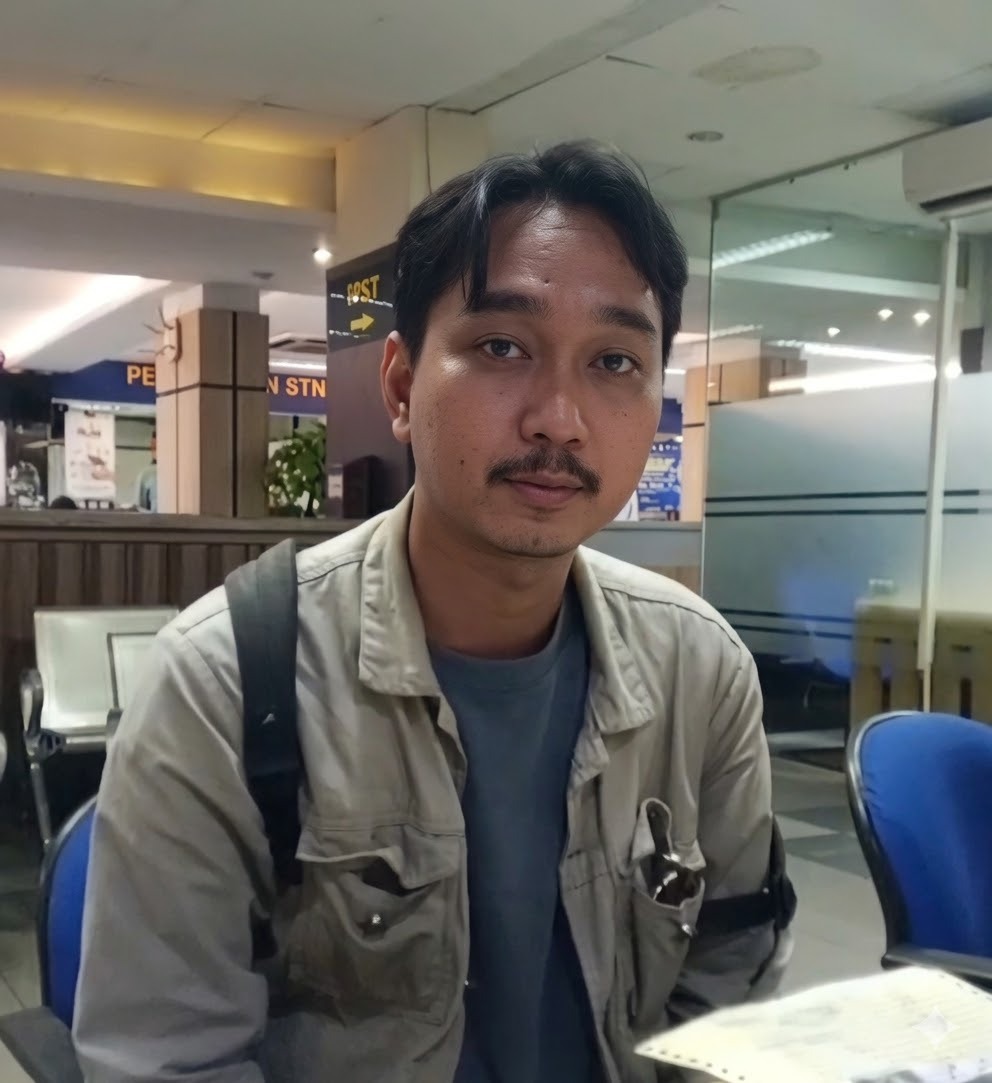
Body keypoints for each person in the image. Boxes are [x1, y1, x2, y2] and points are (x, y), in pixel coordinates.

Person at [74, 142, 794, 1083]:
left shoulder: (701, 670)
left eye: (614, 360)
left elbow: (732, 985)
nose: (560, 417)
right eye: (502, 347)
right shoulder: (226, 682)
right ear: (401, 385)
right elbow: (165, 1060)